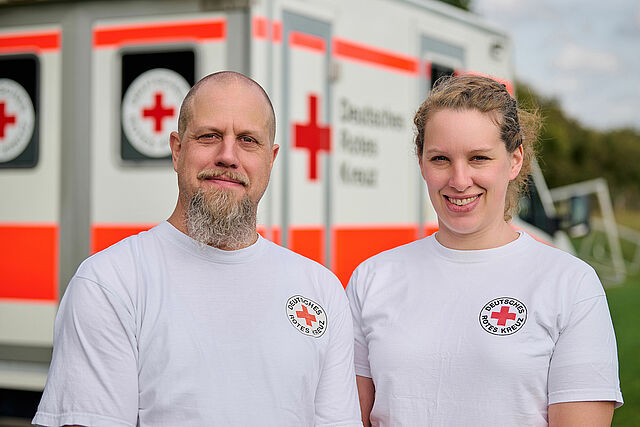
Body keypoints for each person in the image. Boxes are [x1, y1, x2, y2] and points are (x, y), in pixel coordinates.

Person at [33, 71, 362, 426]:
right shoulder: (111, 282)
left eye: (248, 140)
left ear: (271, 159)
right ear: (177, 150)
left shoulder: (321, 290)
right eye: (209, 136)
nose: (228, 156)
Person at [346, 75, 623, 426]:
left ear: (515, 160)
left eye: (479, 158)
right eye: (440, 159)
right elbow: (350, 417)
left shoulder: (571, 284)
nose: (459, 180)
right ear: (421, 162)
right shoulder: (372, 278)